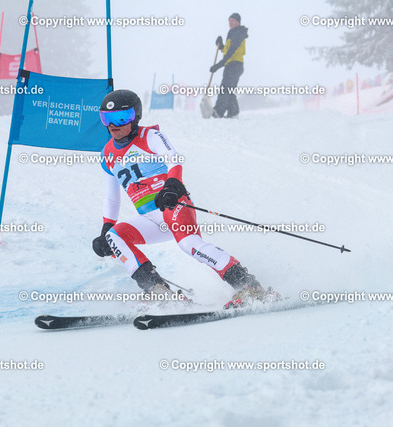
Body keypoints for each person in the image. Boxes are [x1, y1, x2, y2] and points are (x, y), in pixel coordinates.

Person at [92, 89, 274, 308]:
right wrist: (106, 227)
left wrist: (172, 185)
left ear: (136, 116)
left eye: (122, 118)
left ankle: (249, 286)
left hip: (172, 203)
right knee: (115, 236)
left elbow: (173, 159)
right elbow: (112, 197)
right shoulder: (107, 154)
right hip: (150, 219)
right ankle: (158, 291)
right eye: (107, 119)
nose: (114, 125)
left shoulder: (150, 136)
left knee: (189, 244)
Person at [210, 13, 248, 119]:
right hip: (231, 64)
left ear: (238, 22)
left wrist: (219, 65)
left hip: (235, 64)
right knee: (229, 88)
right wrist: (221, 46)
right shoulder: (232, 33)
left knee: (225, 88)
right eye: (229, 21)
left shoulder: (239, 33)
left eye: (233, 21)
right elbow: (227, 51)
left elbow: (231, 51)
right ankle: (233, 112)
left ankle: (218, 111)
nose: (230, 23)